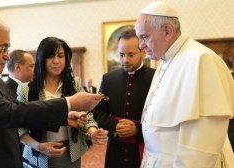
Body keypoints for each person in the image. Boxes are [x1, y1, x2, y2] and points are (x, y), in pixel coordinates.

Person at [0, 13, 103, 168]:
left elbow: (16, 109)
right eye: (3, 48)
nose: (7, 56)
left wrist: (64, 117)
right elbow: (10, 113)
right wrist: (69, 103)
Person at [135, 2, 234, 167]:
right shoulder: (164, 63)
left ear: (167, 31)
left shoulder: (201, 60)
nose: (141, 46)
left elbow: (202, 143)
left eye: (145, 37)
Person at [16, 37, 108, 168]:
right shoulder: (26, 89)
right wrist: (38, 146)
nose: (56, 61)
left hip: (70, 152)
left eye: (60, 56)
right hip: (38, 152)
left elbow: (87, 115)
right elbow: (18, 127)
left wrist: (93, 132)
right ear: (41, 59)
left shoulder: (74, 85)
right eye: (50, 56)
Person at [93, 28, 155, 168]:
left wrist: (138, 129)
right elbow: (98, 112)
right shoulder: (109, 79)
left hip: (146, 150)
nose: (125, 59)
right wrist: (115, 126)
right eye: (121, 54)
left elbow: (164, 116)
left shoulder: (156, 78)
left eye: (131, 54)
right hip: (115, 150)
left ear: (143, 52)